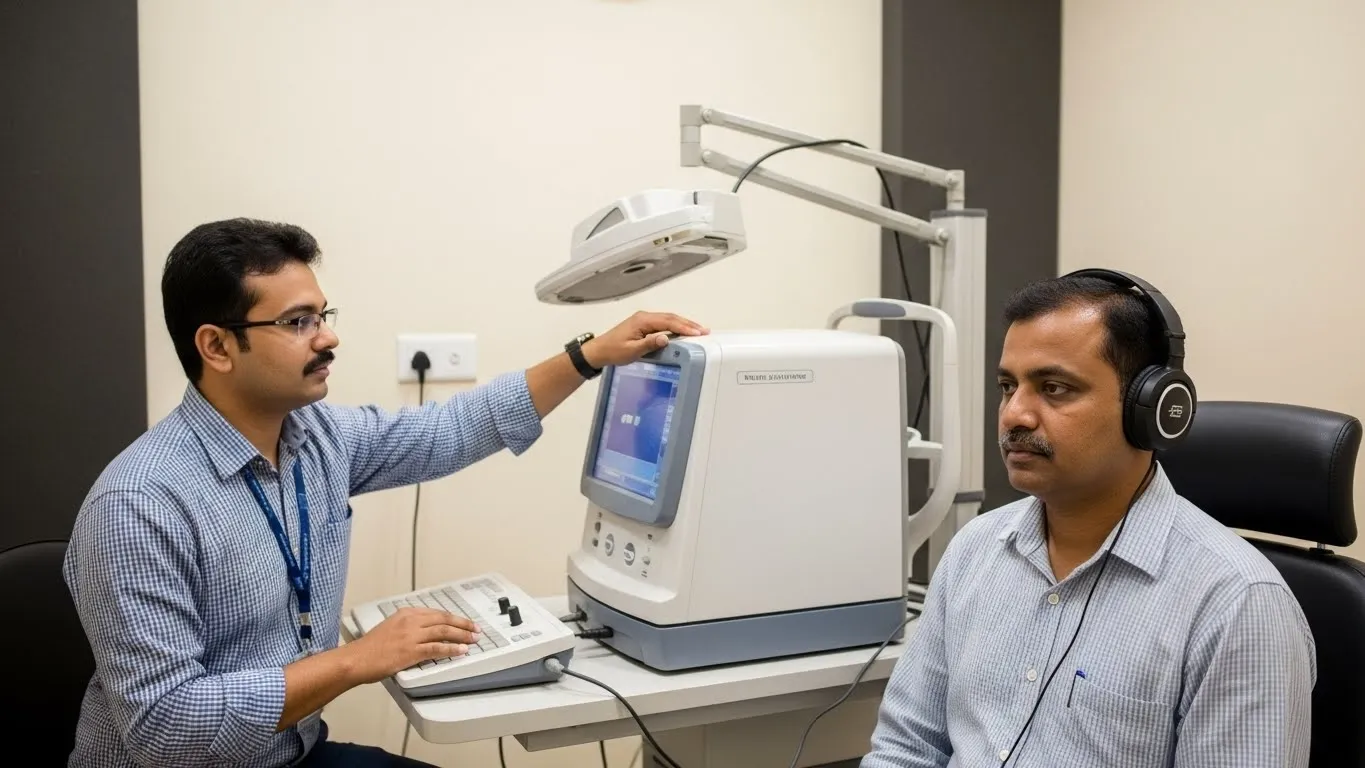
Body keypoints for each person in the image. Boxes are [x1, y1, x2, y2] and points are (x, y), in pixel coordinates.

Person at [62, 218, 708, 767]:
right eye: (295, 322)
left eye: (322, 315)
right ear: (216, 346)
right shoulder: (140, 507)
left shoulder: (310, 437)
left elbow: (449, 430)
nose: (328, 337)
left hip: (293, 753)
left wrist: (587, 355)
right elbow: (164, 728)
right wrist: (356, 661)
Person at [860, 271, 1316, 768]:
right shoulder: (976, 548)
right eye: (1007, 386)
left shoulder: (1238, 606)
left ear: (1150, 408)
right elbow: (907, 748)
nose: (1015, 415)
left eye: (1054, 388)